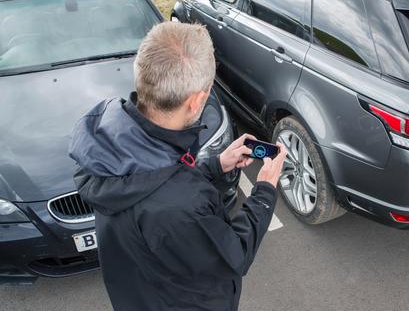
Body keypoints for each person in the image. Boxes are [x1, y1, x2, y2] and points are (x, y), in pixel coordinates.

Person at [68, 22, 287, 311]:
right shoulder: (183, 204)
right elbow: (235, 254)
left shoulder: (110, 144)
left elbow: (156, 181)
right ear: (196, 101)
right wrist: (265, 190)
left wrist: (215, 166)